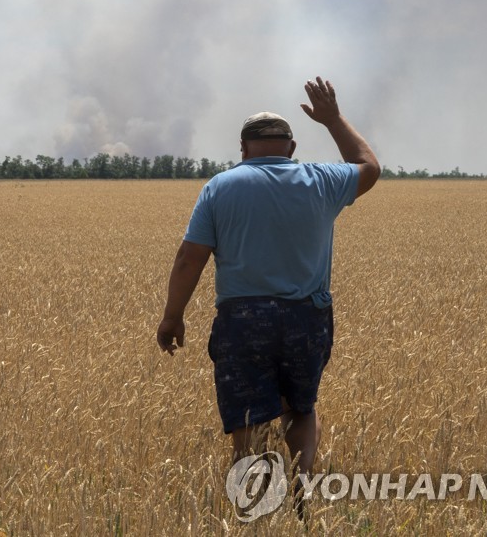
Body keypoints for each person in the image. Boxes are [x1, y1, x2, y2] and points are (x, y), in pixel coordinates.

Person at [155, 77, 379, 505]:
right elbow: (368, 165)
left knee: (246, 418)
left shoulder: (220, 187)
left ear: (242, 149)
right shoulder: (323, 180)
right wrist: (332, 120)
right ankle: (300, 492)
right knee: (300, 407)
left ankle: (256, 501)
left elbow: (189, 258)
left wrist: (173, 315)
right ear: (292, 148)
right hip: (307, 318)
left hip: (242, 322)